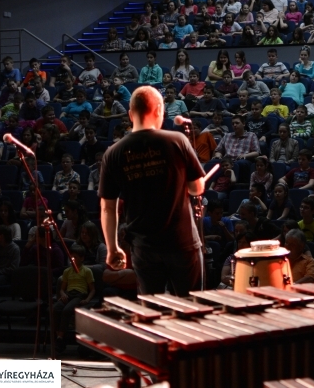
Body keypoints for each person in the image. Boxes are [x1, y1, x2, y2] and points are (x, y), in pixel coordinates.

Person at [99, 86, 207, 296]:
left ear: (131, 114)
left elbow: (107, 208)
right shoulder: (177, 141)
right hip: (181, 242)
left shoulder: (113, 153)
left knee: (153, 314)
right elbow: (197, 188)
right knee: (193, 312)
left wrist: (112, 248)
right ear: (159, 110)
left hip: (144, 247)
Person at [52, 244, 95, 351]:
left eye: (75, 257)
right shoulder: (67, 271)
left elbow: (93, 289)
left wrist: (87, 299)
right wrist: (63, 294)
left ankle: (60, 338)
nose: (72, 260)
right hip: (69, 293)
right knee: (55, 308)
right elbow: (62, 288)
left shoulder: (86, 271)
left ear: (82, 258)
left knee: (67, 310)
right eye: (71, 257)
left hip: (79, 294)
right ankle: (59, 337)